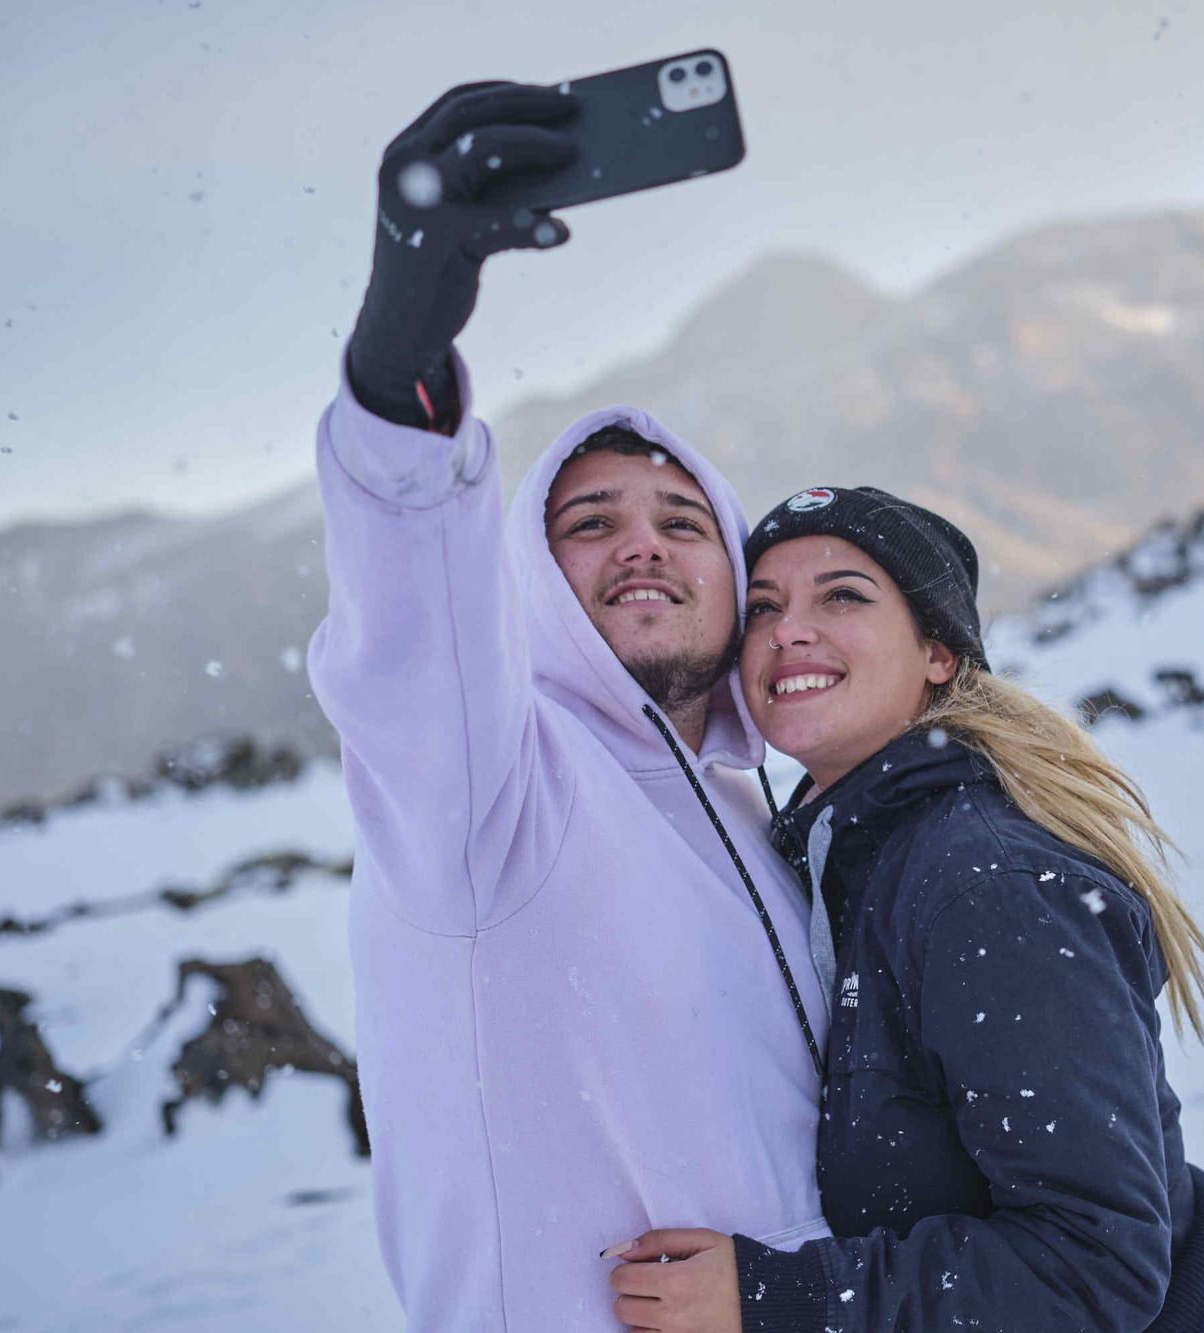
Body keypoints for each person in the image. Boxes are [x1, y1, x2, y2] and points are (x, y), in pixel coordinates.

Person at [306, 82, 830, 1329]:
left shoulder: (769, 825)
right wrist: (399, 379)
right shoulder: (493, 798)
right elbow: (412, 634)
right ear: (526, 584)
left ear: (738, 575)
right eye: (585, 525)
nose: (640, 548)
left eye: (683, 522)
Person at [604, 487, 1204, 1331]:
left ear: (939, 653)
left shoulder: (987, 881)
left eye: (842, 595)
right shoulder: (841, 860)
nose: (787, 630)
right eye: (763, 606)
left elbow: (1092, 1262)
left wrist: (774, 1295)